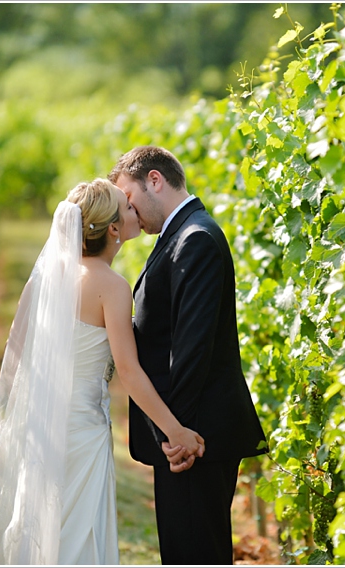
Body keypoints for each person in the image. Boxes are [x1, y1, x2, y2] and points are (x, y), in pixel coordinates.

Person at [0, 179, 205, 565]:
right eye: (128, 207)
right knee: (79, 537)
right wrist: (176, 431)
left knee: (44, 533)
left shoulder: (44, 281)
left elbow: (14, 356)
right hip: (83, 430)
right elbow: (130, 373)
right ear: (114, 229)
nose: (136, 208)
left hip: (42, 429)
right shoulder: (112, 288)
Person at [109, 146, 268, 564]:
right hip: (187, 435)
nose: (128, 213)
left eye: (129, 199)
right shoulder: (180, 235)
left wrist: (174, 436)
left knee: (196, 554)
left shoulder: (194, 239)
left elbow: (191, 350)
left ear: (155, 180)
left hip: (195, 438)